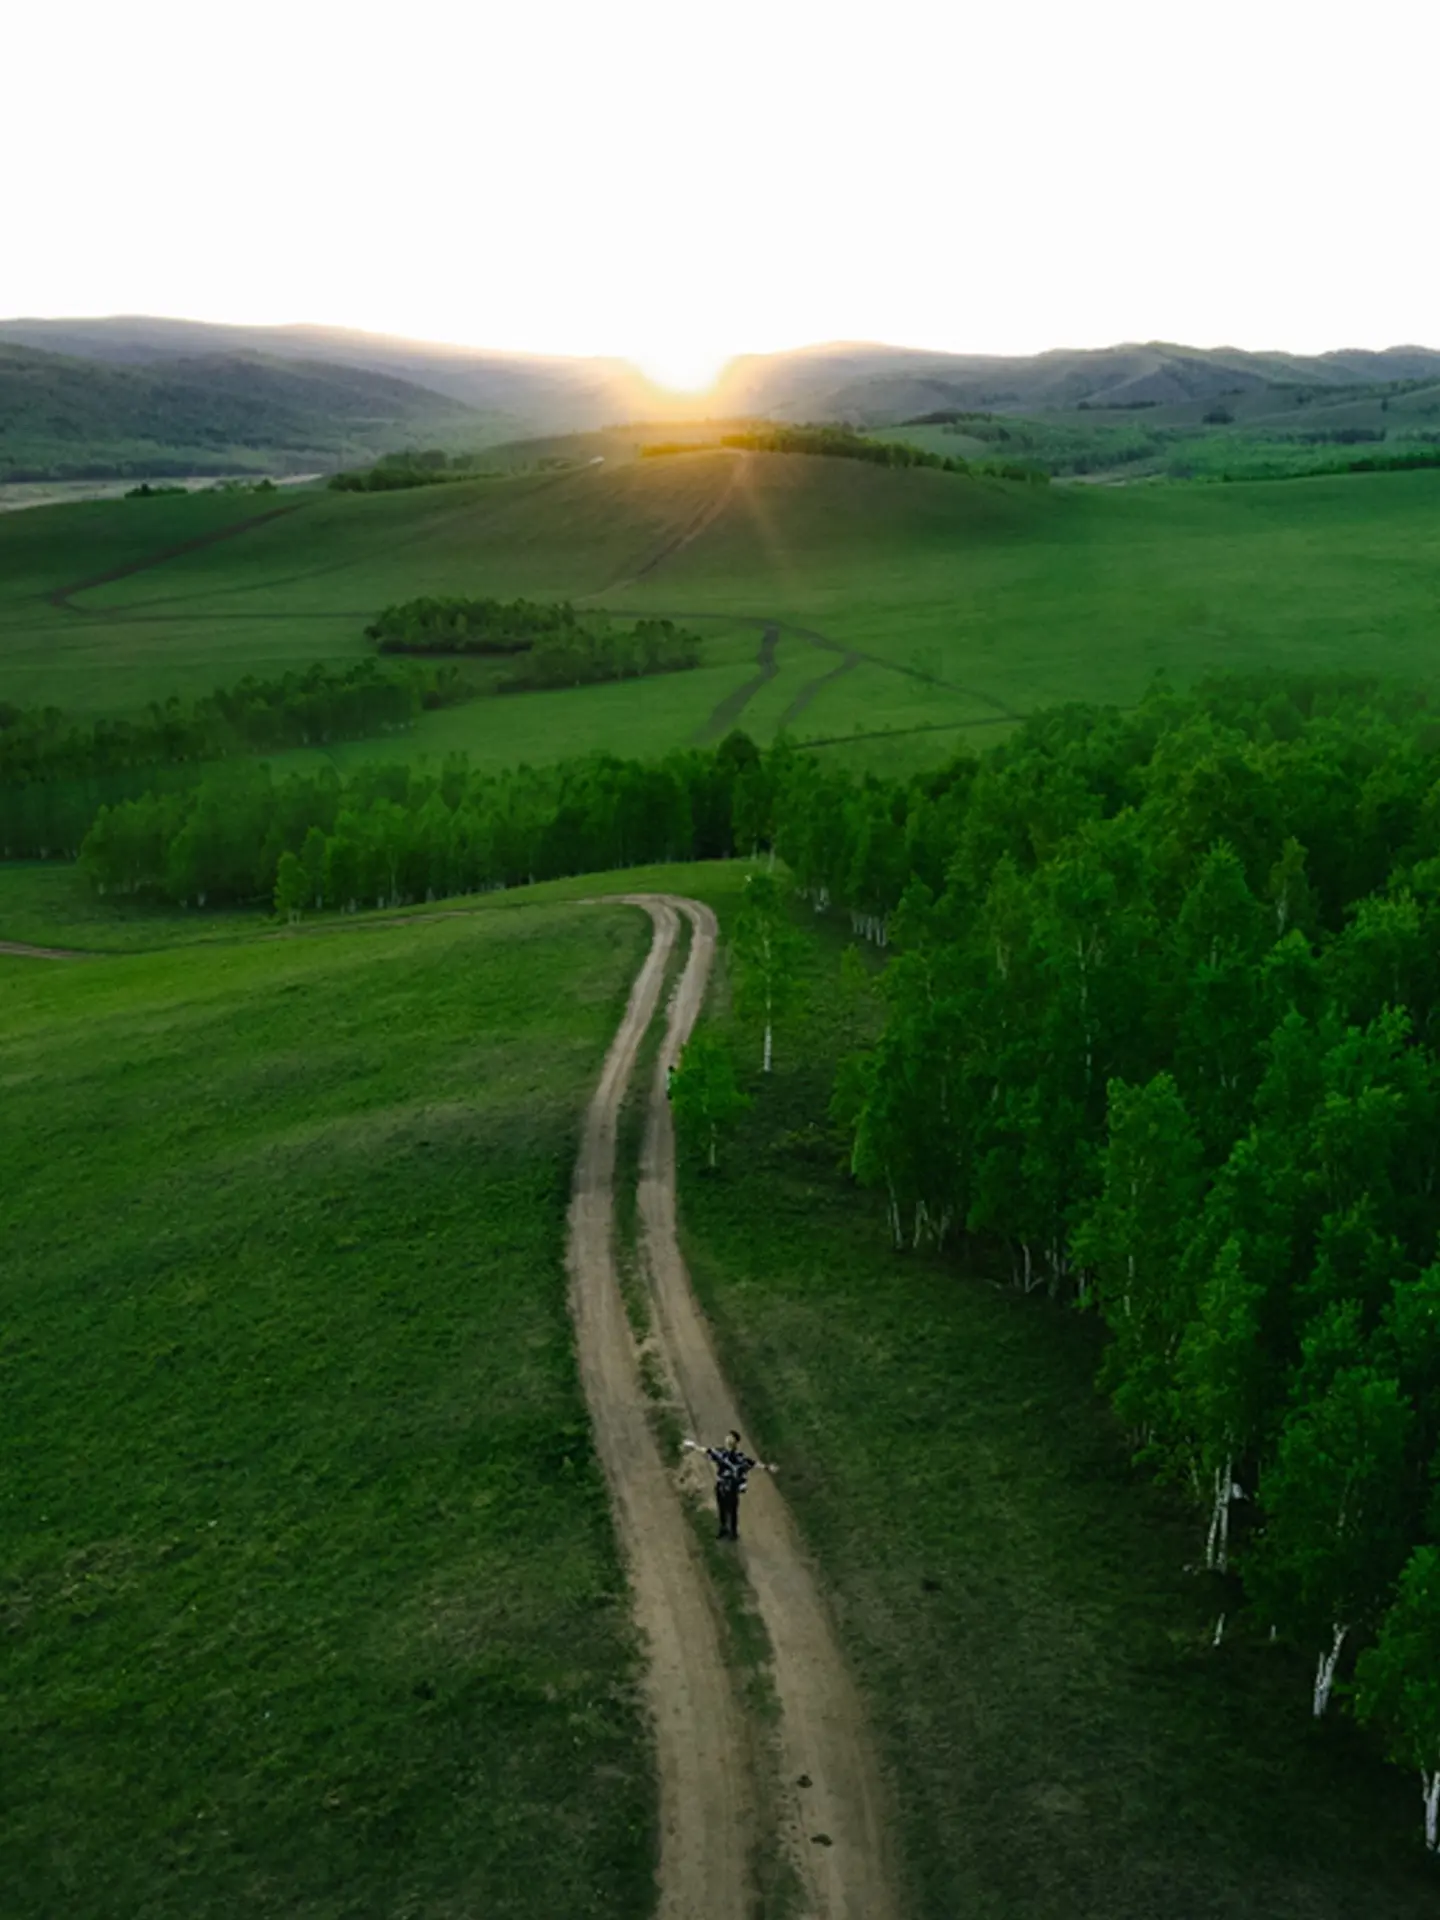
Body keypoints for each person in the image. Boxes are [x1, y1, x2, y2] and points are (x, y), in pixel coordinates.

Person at [682, 1429, 777, 1540]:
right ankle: (723, 1528)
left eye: (731, 1438)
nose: (728, 1439)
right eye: (728, 1437)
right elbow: (708, 1451)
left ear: (735, 1442)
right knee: (722, 1508)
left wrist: (767, 1467)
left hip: (732, 1488)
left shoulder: (739, 1457)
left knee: (732, 1511)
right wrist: (694, 1446)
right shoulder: (721, 1452)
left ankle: (733, 1532)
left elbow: (753, 1463)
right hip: (721, 1485)